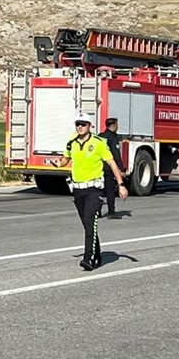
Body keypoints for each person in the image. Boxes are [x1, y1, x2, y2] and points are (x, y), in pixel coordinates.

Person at [48, 112, 127, 271]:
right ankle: (96, 254)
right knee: (87, 224)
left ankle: (88, 258)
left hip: (94, 190)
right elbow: (65, 159)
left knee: (91, 222)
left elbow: (111, 163)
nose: (80, 127)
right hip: (78, 190)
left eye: (83, 124)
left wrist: (121, 184)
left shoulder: (99, 143)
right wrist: (58, 163)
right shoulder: (72, 142)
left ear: (90, 126)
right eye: (77, 124)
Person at [100, 117, 126, 218]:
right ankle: (111, 212)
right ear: (114, 125)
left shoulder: (100, 136)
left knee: (99, 191)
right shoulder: (113, 138)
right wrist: (122, 168)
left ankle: (97, 212)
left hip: (99, 167)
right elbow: (116, 154)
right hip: (109, 168)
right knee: (110, 191)